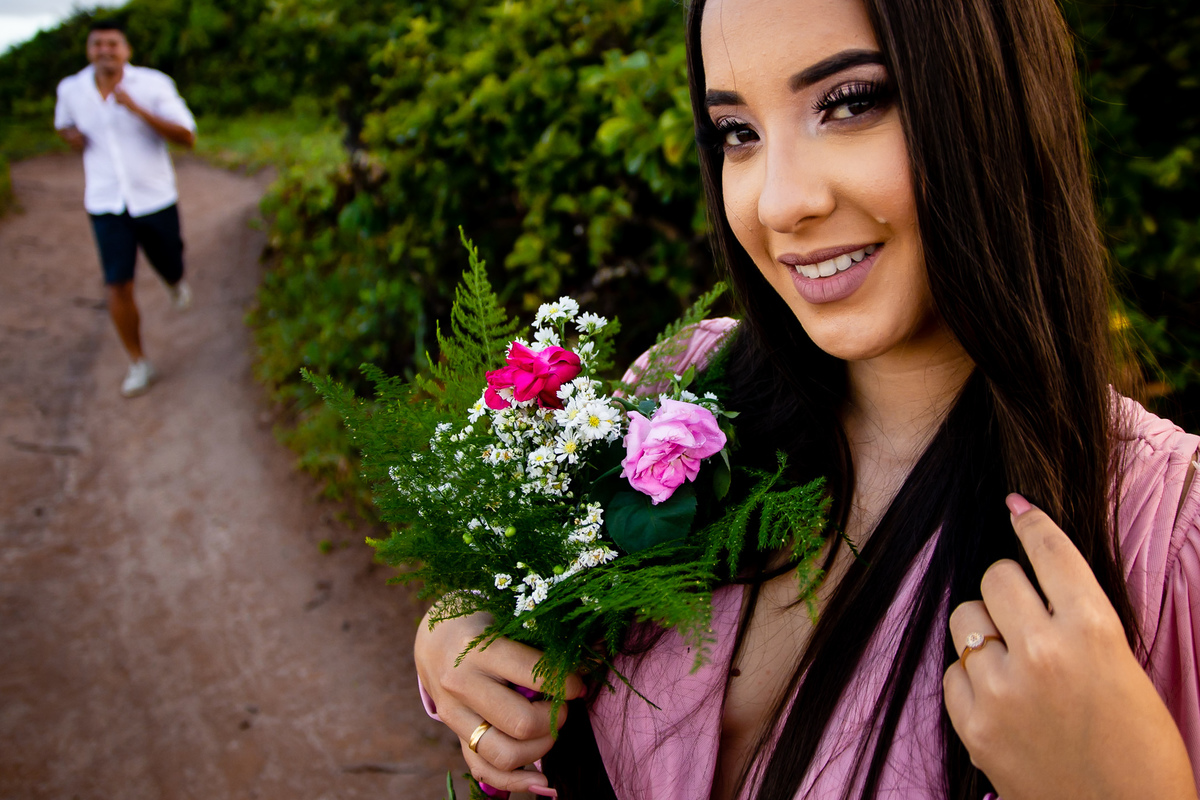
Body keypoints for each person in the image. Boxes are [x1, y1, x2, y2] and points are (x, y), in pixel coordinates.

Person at [414, 0, 1200, 798]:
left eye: (850, 103)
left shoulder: (1163, 543)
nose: (778, 203)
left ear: (986, 97)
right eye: (738, 134)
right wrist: (468, 630)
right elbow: (533, 639)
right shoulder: (682, 395)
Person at [54, 19, 197, 398]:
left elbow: (187, 137)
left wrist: (135, 108)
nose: (105, 50)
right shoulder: (71, 90)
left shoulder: (152, 84)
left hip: (154, 198)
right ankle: (138, 362)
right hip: (105, 202)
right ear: (89, 50)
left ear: (126, 50)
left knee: (170, 261)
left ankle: (175, 280)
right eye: (97, 43)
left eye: (112, 43)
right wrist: (72, 138)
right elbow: (63, 127)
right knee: (117, 283)